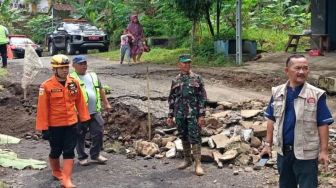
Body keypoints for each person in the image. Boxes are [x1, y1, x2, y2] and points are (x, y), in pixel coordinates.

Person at [260, 54, 333, 188]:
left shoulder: (316, 94)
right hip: (284, 152)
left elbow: (323, 124)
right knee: (286, 184)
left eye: (305, 68)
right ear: (287, 71)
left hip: (307, 153)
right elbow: (271, 119)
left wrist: (323, 151)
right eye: (297, 68)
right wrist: (267, 144)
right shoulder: (277, 92)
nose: (302, 72)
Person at [36, 54, 90, 188]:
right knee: (55, 151)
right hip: (55, 126)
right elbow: (42, 109)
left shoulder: (73, 82)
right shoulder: (46, 86)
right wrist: (44, 128)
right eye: (62, 68)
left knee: (69, 151)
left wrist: (84, 120)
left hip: (71, 124)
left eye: (66, 67)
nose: (65, 70)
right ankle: (55, 171)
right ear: (54, 69)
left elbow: (80, 102)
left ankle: (66, 180)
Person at [166, 54, 207, 176]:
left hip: (193, 114)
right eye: (184, 63)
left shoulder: (197, 79)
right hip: (180, 114)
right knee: (183, 136)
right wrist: (170, 115)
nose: (186, 65)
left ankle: (198, 163)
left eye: (188, 62)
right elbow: (172, 99)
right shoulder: (175, 80)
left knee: (195, 137)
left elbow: (202, 98)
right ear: (179, 64)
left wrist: (201, 115)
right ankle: (187, 160)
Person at [70, 55, 112, 166]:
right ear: (74, 65)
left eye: (85, 63)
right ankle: (82, 156)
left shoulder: (93, 75)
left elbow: (101, 89)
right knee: (80, 135)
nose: (84, 66)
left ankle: (95, 154)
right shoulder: (71, 78)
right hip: (80, 113)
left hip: (95, 111)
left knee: (98, 132)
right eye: (81, 64)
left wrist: (106, 103)